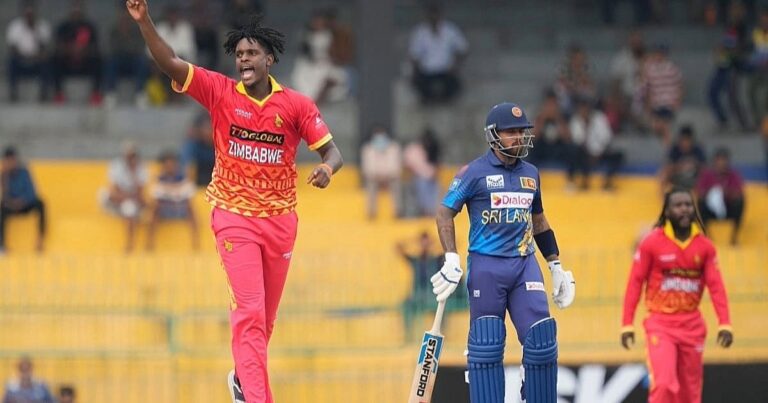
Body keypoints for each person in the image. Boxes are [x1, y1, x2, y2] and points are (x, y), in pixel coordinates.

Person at [126, 2, 344, 403]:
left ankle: (245, 380)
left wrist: (327, 170)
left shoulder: (295, 104)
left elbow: (333, 152)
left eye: (251, 53)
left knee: (265, 321)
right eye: (239, 53)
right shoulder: (220, 91)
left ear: (269, 59)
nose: (243, 59)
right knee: (249, 315)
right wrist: (145, 22)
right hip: (234, 217)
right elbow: (170, 62)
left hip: (280, 221)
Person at [434, 102, 575, 402]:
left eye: (522, 131)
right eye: (512, 132)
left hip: (524, 264)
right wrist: (451, 258)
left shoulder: (531, 173)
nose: (519, 137)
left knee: (542, 340)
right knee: (487, 345)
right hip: (487, 267)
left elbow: (539, 220)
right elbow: (445, 212)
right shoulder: (473, 173)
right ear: (493, 134)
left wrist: (555, 265)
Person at [621, 187, 733, 403]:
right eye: (678, 205)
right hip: (660, 324)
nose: (684, 209)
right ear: (667, 211)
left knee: (690, 394)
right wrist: (627, 323)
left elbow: (716, 286)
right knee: (664, 384)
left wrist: (725, 323)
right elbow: (635, 282)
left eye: (688, 204)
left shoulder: (705, 247)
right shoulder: (651, 243)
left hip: (692, 327)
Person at [408, 2, 469, 105]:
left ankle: (446, 100)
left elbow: (463, 49)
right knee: (417, 82)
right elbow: (414, 54)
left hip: (446, 71)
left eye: (435, 13)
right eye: (431, 14)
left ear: (440, 14)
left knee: (455, 84)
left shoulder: (450, 30)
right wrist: (416, 69)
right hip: (426, 71)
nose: (433, 17)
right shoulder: (420, 32)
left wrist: (455, 65)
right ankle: (428, 100)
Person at [99, 142, 148, 253]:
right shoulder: (116, 166)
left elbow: (140, 192)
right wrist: (127, 196)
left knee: (129, 208)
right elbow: (114, 190)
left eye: (133, 156)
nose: (130, 159)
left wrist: (134, 173)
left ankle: (129, 244)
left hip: (130, 202)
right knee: (103, 194)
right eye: (128, 156)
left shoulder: (141, 168)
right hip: (116, 201)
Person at [51, 0, 103, 105]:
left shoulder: (89, 27)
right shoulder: (63, 27)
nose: (76, 11)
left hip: (84, 62)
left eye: (78, 8)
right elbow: (58, 46)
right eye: (74, 8)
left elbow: (94, 47)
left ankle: (96, 93)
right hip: (68, 62)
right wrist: (71, 49)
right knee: (54, 59)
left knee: (98, 59)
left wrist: (83, 50)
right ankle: (58, 93)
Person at [146, 151, 198, 251]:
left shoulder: (183, 179)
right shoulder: (159, 179)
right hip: (165, 210)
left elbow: (188, 194)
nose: (170, 167)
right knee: (154, 209)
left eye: (172, 164)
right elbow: (156, 195)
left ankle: (196, 243)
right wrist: (175, 191)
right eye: (168, 165)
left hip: (180, 209)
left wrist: (168, 191)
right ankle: (150, 243)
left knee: (191, 209)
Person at [0, 146, 46, 254]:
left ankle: (40, 240)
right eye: (7, 161)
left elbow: (32, 193)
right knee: (1, 209)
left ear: (15, 160)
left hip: (26, 205)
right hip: (13, 207)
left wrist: (22, 201)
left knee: (40, 203)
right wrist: (4, 179)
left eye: (12, 160)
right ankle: (2, 245)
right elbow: (5, 198)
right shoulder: (4, 176)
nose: (10, 163)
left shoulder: (24, 172)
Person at [695, 148, 745, 245]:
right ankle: (707, 235)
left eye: (724, 160)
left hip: (728, 208)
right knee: (700, 202)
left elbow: (739, 193)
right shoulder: (707, 174)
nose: (721, 163)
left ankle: (734, 237)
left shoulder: (733, 175)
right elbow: (699, 192)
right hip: (711, 210)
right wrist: (712, 194)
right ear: (714, 162)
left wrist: (725, 193)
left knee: (740, 201)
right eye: (719, 160)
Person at [6, 0, 52, 103]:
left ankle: (44, 93)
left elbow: (44, 48)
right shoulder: (15, 26)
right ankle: (13, 93)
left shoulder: (42, 26)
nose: (29, 16)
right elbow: (12, 48)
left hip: (37, 60)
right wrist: (24, 56)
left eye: (31, 14)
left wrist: (34, 30)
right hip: (21, 60)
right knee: (11, 61)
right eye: (27, 14)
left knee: (47, 62)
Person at [360, 126, 402, 220]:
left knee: (396, 184)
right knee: (370, 185)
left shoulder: (393, 148)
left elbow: (396, 167)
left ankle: (397, 212)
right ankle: (372, 213)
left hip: (390, 177)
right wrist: (377, 176)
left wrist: (387, 176)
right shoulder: (368, 149)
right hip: (374, 178)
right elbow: (367, 168)